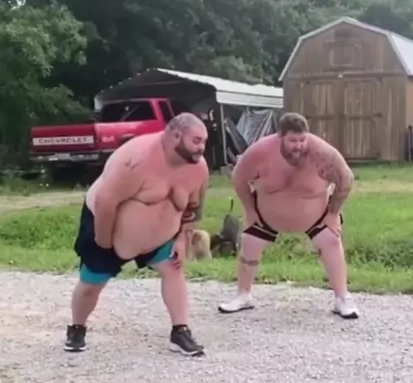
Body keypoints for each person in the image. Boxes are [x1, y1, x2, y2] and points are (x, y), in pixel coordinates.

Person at [65, 112, 209, 356]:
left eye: (204, 141)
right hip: (107, 229)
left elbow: (194, 208)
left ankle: (180, 331)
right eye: (196, 141)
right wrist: (103, 243)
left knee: (173, 270)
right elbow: (105, 202)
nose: (201, 148)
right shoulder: (136, 158)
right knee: (91, 283)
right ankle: (77, 328)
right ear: (176, 136)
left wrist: (182, 239)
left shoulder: (198, 169)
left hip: (161, 237)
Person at [218, 112, 359, 319]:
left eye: (303, 140)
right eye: (293, 141)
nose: (298, 146)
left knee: (331, 240)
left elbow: (346, 180)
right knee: (250, 241)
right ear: (280, 136)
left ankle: (342, 298)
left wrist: (333, 213)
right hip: (265, 215)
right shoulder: (259, 152)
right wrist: (249, 210)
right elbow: (239, 178)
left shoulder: (323, 155)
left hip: (316, 216)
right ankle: (243, 295)